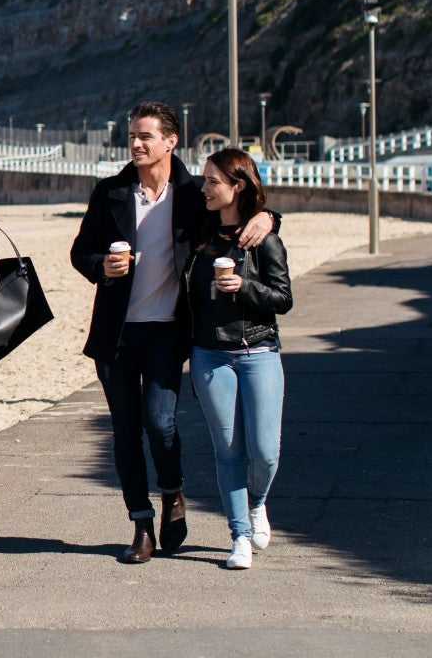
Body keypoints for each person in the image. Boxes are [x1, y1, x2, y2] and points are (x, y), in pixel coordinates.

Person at [69, 101, 275, 564]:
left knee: (161, 425)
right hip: (117, 333)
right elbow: (80, 251)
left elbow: (239, 210)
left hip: (168, 330)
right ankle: (141, 524)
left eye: (146, 136)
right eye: (132, 136)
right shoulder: (111, 192)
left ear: (170, 141)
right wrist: (102, 265)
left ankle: (173, 493)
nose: (137, 144)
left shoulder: (191, 194)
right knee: (125, 430)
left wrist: (270, 218)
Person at [187, 148, 293, 570]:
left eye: (214, 181)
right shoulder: (199, 234)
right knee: (227, 450)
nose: (205, 188)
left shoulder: (264, 239)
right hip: (209, 355)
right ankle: (239, 536)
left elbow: (283, 299)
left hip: (259, 351)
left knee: (265, 452)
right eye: (205, 180)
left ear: (238, 186)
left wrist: (243, 287)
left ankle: (259, 502)